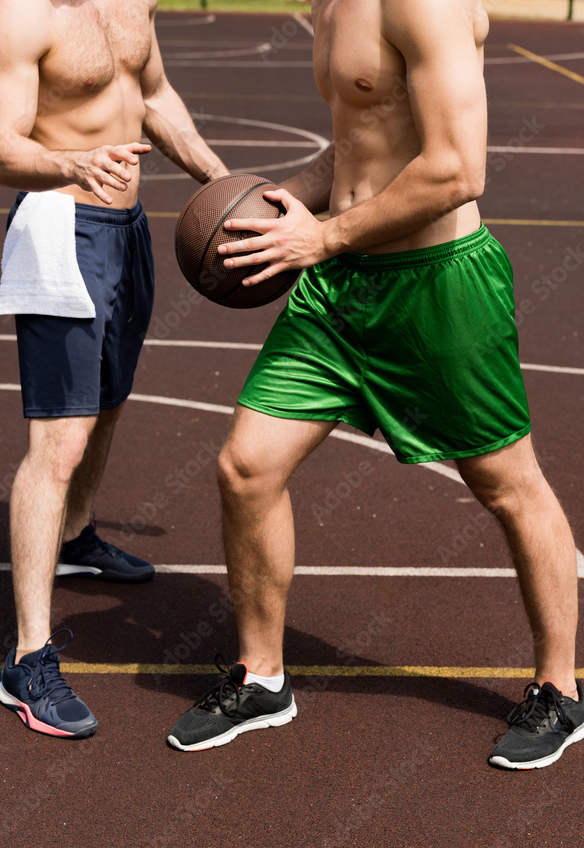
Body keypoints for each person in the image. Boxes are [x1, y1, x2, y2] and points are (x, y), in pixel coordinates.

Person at [168, 0, 583, 769]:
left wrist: (319, 236)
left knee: (505, 485)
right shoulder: (329, 5)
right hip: (338, 287)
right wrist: (275, 210)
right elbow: (355, 142)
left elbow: (458, 165)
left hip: (436, 286)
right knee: (246, 466)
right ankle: (261, 677)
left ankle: (558, 690)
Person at [0, 0, 228, 738]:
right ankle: (28, 659)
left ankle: (76, 539)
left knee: (110, 401)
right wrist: (71, 161)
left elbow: (152, 94)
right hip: (61, 225)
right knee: (60, 442)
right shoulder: (17, 14)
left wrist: (218, 182)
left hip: (129, 228)